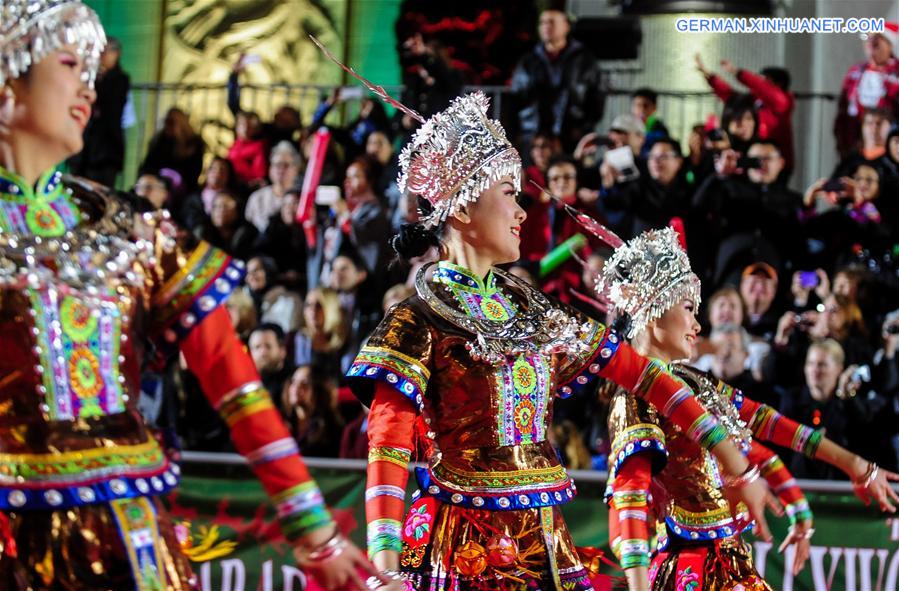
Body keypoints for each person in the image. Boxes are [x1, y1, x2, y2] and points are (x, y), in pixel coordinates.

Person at [0, 2, 376, 589]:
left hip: (127, 537)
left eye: (92, 70)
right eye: (70, 63)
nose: (89, 87)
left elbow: (235, 382)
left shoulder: (131, 229)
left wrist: (313, 529)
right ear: (7, 78)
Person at [344, 92, 775, 591]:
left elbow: (641, 373)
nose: (523, 212)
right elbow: (389, 444)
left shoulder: (534, 310)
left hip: (543, 536)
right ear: (462, 210)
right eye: (510, 193)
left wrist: (735, 463)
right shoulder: (417, 319)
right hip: (462, 541)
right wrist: (385, 564)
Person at [600, 228, 899, 591]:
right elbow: (628, 494)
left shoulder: (693, 380)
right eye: (690, 309)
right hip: (690, 569)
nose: (698, 325)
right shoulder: (635, 396)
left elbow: (765, 422)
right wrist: (638, 586)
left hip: (727, 559)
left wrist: (854, 466)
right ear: (653, 309)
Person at [510, 7, 604, 151]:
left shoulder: (584, 60)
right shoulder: (528, 61)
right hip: (534, 136)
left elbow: (596, 98)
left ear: (566, 26)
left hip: (571, 135)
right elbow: (516, 99)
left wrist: (583, 128)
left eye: (552, 22)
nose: (546, 26)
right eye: (542, 23)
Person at [697, 55, 795, 175]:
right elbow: (732, 97)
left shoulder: (782, 102)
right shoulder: (755, 102)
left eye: (764, 80)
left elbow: (761, 87)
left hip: (775, 163)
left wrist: (737, 72)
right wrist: (710, 76)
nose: (758, 83)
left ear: (777, 85)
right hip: (750, 158)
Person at [68, 36, 129, 187]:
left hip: (106, 148)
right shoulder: (89, 75)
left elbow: (110, 106)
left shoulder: (120, 79)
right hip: (85, 143)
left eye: (106, 51)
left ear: (116, 54)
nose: (101, 55)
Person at [835, 24, 899, 158]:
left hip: (889, 143)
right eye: (868, 39)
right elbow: (843, 106)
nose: (870, 44)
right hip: (857, 140)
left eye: (876, 40)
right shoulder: (856, 71)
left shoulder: (896, 72)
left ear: (889, 44)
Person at [140, 107, 205, 194]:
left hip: (182, 190)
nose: (168, 126)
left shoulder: (193, 144)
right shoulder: (160, 140)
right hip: (158, 184)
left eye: (172, 123)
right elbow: (148, 166)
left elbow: (192, 176)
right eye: (166, 122)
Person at [245, 140, 302, 233]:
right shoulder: (257, 198)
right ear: (270, 168)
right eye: (277, 164)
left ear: (296, 169)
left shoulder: (302, 198)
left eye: (286, 165)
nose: (280, 169)